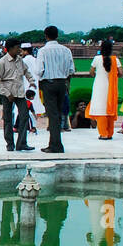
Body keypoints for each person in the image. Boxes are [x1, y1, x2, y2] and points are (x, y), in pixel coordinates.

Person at [37, 25, 75, 153]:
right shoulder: (66, 50)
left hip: (49, 83)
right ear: (57, 35)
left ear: (46, 36)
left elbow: (39, 70)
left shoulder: (43, 51)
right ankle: (55, 143)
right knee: (58, 114)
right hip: (61, 83)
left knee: (52, 115)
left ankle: (56, 145)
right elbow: (71, 70)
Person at [0, 37, 34, 152]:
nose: (19, 50)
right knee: (7, 119)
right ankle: (10, 144)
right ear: (10, 49)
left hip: (20, 92)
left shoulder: (19, 60)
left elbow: (26, 71)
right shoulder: (2, 62)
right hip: (8, 93)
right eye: (17, 48)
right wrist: (7, 94)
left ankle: (21, 143)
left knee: (24, 116)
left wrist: (31, 81)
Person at [86, 39, 120, 139]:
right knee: (109, 110)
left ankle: (103, 133)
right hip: (111, 88)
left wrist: (98, 73)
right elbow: (121, 72)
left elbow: (91, 72)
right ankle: (109, 133)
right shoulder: (115, 59)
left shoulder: (97, 59)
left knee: (101, 110)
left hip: (99, 86)